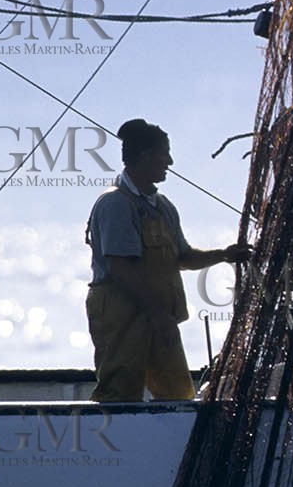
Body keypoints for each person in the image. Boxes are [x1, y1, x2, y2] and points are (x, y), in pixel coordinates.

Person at [85, 119, 246, 402]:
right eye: (164, 153)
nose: (169, 161)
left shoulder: (163, 206)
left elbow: (182, 258)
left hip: (159, 316)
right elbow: (120, 268)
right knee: (119, 390)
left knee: (177, 392)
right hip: (120, 314)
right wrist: (158, 314)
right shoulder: (115, 204)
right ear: (146, 156)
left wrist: (224, 255)